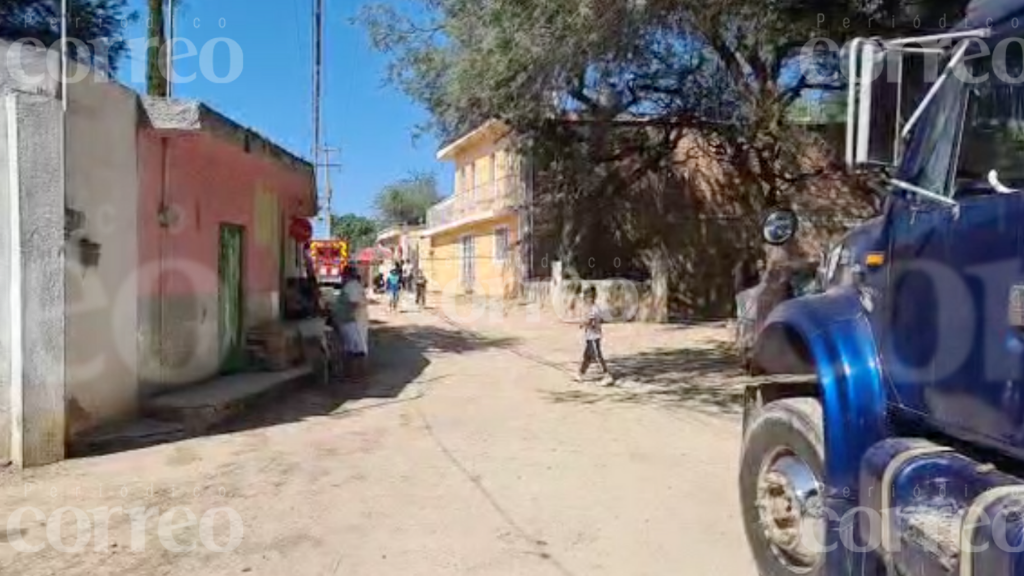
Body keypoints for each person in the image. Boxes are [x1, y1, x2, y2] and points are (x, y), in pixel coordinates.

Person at [336, 266, 369, 378]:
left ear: (347, 275)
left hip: (352, 322)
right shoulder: (353, 286)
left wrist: (343, 311)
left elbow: (355, 303)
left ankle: (355, 374)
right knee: (353, 348)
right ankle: (354, 374)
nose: (342, 277)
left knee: (355, 349)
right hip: (351, 321)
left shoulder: (352, 286)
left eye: (343, 275)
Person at [577, 286, 612, 385]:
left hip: (594, 336)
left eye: (586, 298)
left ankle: (607, 375)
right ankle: (581, 373)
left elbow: (590, 322)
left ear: (590, 298)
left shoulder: (593, 309)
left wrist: (582, 323)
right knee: (587, 356)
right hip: (590, 336)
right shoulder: (593, 308)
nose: (584, 301)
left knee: (597, 356)